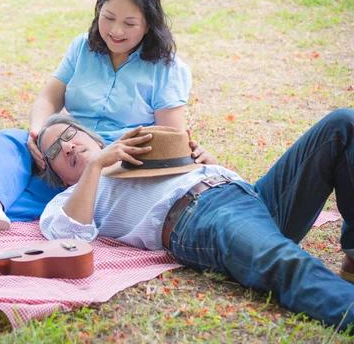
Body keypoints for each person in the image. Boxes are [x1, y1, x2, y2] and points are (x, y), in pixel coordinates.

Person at [0, 0, 213, 232]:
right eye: (108, 18)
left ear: (149, 25)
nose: (116, 31)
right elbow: (49, 96)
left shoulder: (167, 69)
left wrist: (110, 156)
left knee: (52, 179)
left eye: (129, 23)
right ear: (98, 11)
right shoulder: (82, 48)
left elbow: (169, 138)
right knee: (13, 140)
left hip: (114, 158)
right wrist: (37, 132)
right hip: (68, 142)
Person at [37, 110, 354, 331]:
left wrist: (214, 168)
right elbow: (69, 239)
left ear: (94, 139)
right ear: (57, 176)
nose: (66, 146)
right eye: (53, 150)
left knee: (342, 125)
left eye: (69, 134)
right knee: (284, 262)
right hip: (199, 217)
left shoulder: (136, 155)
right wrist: (95, 168)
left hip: (252, 197)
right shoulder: (65, 201)